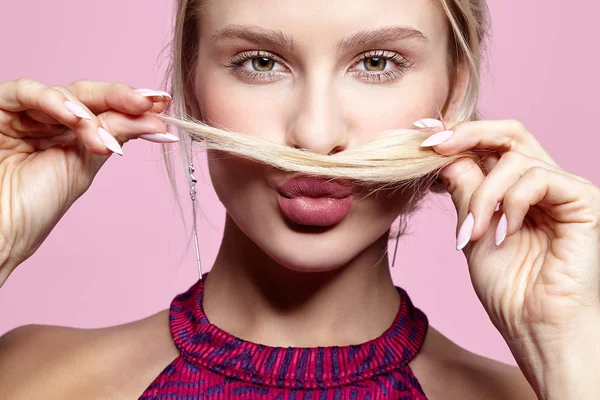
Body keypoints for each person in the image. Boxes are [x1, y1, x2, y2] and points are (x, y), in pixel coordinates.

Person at [0, 0, 599, 399]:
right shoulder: (28, 377)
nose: (315, 135)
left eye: (377, 62)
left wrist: (568, 350)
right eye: (260, 62)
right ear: (190, 80)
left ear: (454, 89)